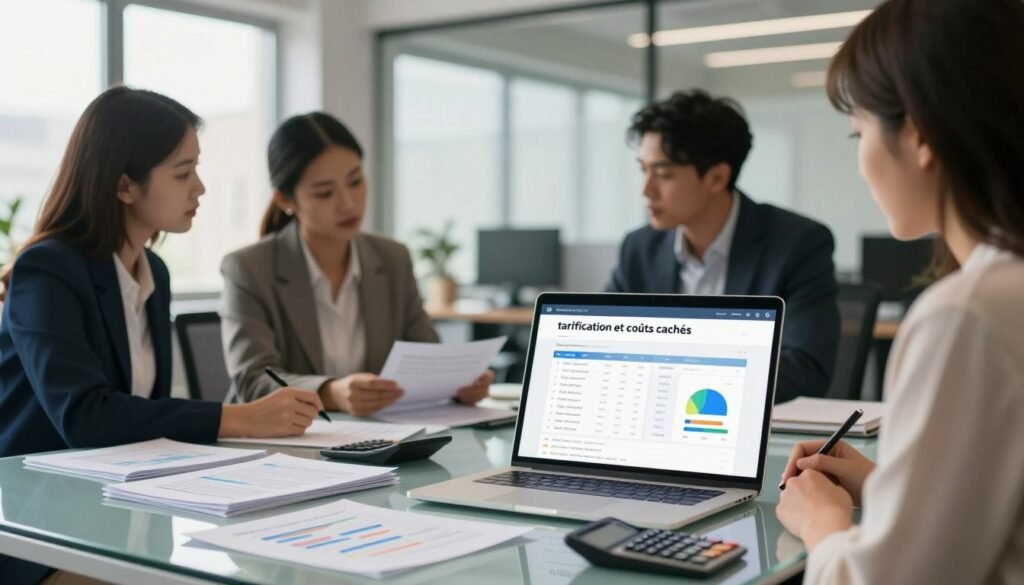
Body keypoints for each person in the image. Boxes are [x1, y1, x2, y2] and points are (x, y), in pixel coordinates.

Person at [0, 87, 324, 585]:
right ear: (125, 186)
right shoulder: (47, 270)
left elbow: (139, 418)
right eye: (182, 172)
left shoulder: (153, 272)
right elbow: (86, 416)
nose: (200, 188)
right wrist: (237, 418)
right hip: (36, 522)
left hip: (116, 505)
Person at [776, 0, 1024, 582]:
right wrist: (878, 483)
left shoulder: (968, 315)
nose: (861, 162)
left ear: (917, 133)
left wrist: (820, 522)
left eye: (858, 130)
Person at [219, 112, 493, 416]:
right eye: (325, 193)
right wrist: (331, 393)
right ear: (286, 200)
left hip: (378, 440)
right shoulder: (248, 269)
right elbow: (252, 379)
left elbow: (426, 356)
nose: (348, 203)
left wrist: (457, 384)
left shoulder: (392, 259)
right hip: (287, 444)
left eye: (355, 181)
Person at [605, 90, 840, 403]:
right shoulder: (640, 248)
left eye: (663, 174)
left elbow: (805, 371)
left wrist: (669, 379)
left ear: (717, 177)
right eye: (643, 169)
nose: (646, 190)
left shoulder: (797, 244)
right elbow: (602, 347)